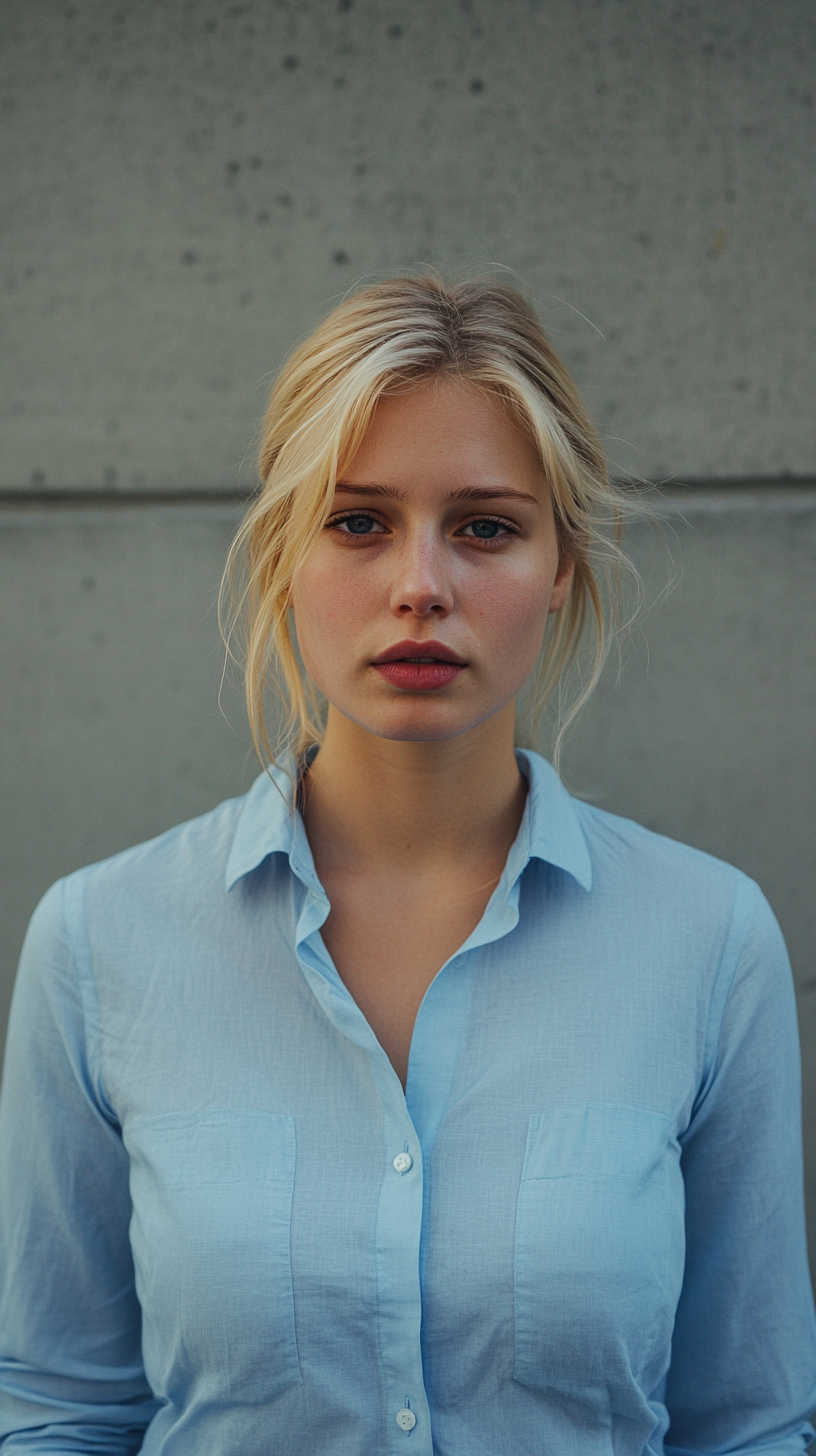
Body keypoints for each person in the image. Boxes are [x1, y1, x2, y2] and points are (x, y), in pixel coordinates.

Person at [0, 276, 814, 1456]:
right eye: (358, 520)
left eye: (485, 525)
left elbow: (747, 1424)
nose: (421, 585)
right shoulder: (98, 941)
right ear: (285, 555)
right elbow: (57, 1412)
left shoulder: (707, 938)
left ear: (563, 565)